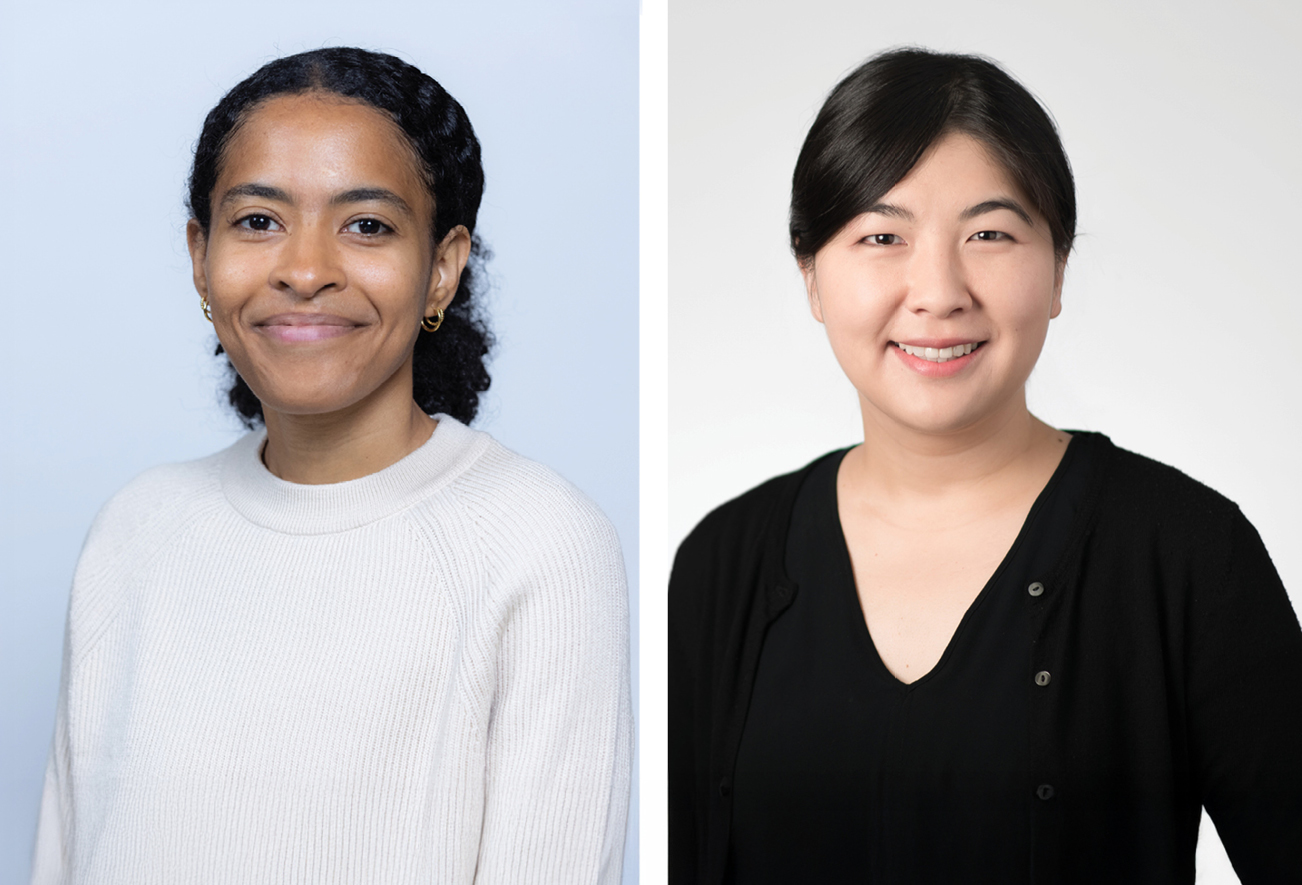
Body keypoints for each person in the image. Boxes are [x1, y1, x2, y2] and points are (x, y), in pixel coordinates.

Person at [669, 48, 1302, 884]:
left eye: (990, 234)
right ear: (812, 275)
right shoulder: (723, 561)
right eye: (882, 235)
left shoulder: (1187, 555)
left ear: (1058, 270)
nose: (938, 291)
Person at [32, 47, 631, 884]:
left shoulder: (540, 543)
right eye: (258, 221)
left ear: (443, 269)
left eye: (367, 225)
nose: (305, 270)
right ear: (201, 258)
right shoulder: (134, 529)